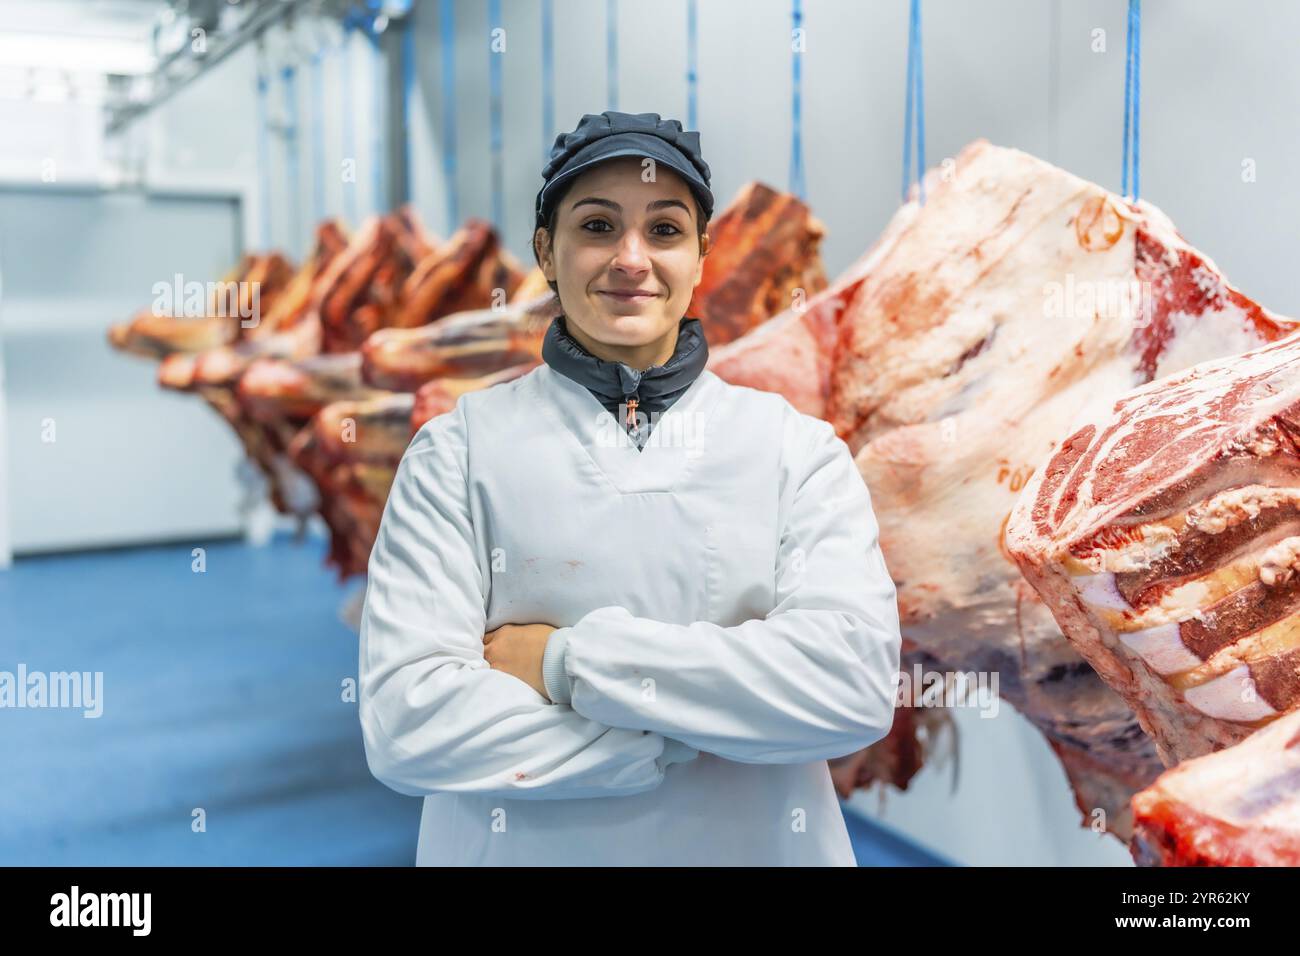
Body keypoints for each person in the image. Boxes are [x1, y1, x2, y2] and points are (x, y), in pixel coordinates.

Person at [358, 110, 902, 866]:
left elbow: (849, 687)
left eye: (667, 230)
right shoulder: (457, 453)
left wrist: (565, 667)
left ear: (703, 256)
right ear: (547, 250)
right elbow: (407, 723)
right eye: (597, 226)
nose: (631, 259)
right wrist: (666, 741)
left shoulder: (794, 450)